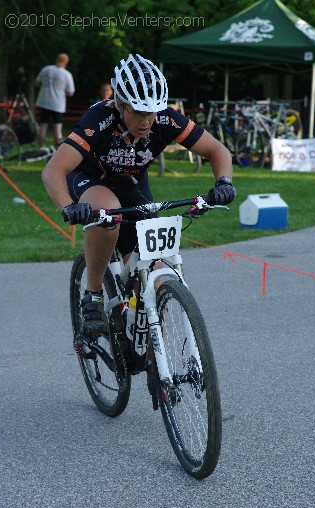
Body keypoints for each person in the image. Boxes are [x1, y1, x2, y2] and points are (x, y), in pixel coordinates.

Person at [42, 53, 235, 336]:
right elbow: (53, 171)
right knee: (108, 213)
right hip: (89, 179)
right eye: (139, 112)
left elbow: (217, 150)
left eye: (153, 111)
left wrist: (224, 182)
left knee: (156, 270)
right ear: (120, 104)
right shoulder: (99, 119)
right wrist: (68, 206)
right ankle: (93, 293)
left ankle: (154, 350)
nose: (147, 121)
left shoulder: (166, 120)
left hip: (132, 184)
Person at [35, 53, 75, 148]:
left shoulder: (46, 69)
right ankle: (57, 149)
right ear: (66, 62)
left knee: (43, 126)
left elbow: (37, 83)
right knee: (57, 128)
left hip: (43, 102)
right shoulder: (66, 74)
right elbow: (70, 92)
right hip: (58, 105)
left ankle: (42, 147)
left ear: (57, 59)